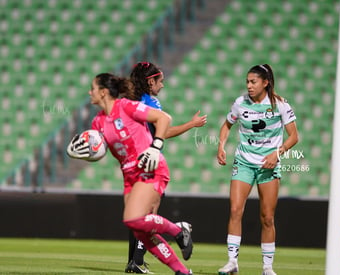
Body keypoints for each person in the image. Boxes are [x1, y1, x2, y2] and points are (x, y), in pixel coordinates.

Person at [66, 73, 193, 275]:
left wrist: (155, 146)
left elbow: (163, 118)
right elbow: (98, 148)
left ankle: (178, 231)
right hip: (129, 175)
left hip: (150, 166)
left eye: (93, 88)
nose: (90, 92)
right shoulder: (98, 122)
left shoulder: (126, 106)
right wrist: (83, 150)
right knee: (140, 231)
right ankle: (182, 272)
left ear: (104, 92)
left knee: (133, 219)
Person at [124, 62, 207, 273]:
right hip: (149, 164)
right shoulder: (150, 102)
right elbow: (165, 131)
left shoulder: (129, 101)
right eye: (160, 81)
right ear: (150, 81)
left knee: (139, 217)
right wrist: (191, 124)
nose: (162, 85)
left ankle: (136, 261)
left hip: (133, 162)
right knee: (146, 217)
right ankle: (178, 230)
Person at [216, 64, 299, 275]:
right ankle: (232, 262)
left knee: (267, 217)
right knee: (235, 210)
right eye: (247, 82)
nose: (249, 86)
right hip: (244, 162)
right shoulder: (240, 103)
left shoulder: (280, 104)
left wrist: (277, 154)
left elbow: (294, 137)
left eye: (253, 82)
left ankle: (267, 268)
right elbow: (226, 125)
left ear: (265, 82)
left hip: (268, 165)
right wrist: (221, 146)